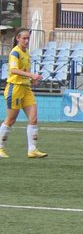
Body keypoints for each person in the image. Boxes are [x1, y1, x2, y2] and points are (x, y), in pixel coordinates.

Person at [0, 28, 48, 158]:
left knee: (33, 118)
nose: (26, 41)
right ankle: (0, 148)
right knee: (11, 119)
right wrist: (31, 74)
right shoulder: (14, 53)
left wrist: (31, 80)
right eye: (24, 38)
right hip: (15, 88)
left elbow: (24, 69)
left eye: (28, 38)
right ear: (18, 38)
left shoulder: (26, 52)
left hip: (26, 88)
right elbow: (14, 70)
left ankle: (32, 149)